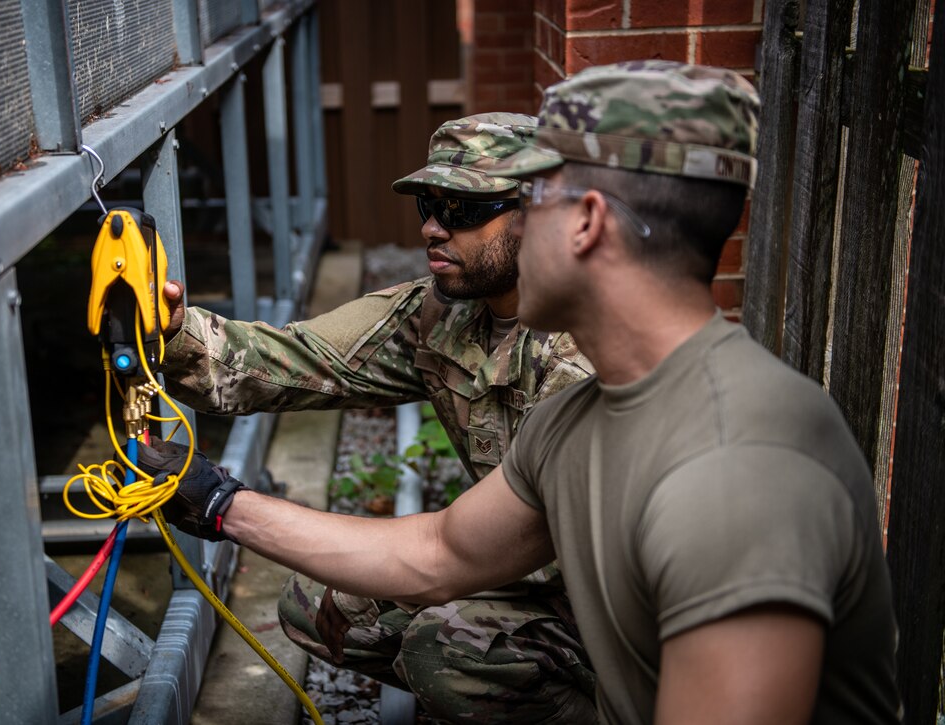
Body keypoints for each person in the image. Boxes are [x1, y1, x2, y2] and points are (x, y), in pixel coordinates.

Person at [143, 60, 903, 723]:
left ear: (586, 225)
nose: (438, 232)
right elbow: (436, 552)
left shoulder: (739, 472)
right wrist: (217, 501)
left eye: (528, 200)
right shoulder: (582, 417)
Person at [155, 113, 598, 722]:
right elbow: (295, 360)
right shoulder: (442, 312)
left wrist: (224, 505)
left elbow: (490, 552)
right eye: (426, 205)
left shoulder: (584, 352)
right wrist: (173, 331)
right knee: (317, 604)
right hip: (507, 563)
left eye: (461, 209)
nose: (434, 229)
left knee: (447, 649)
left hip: (609, 611)